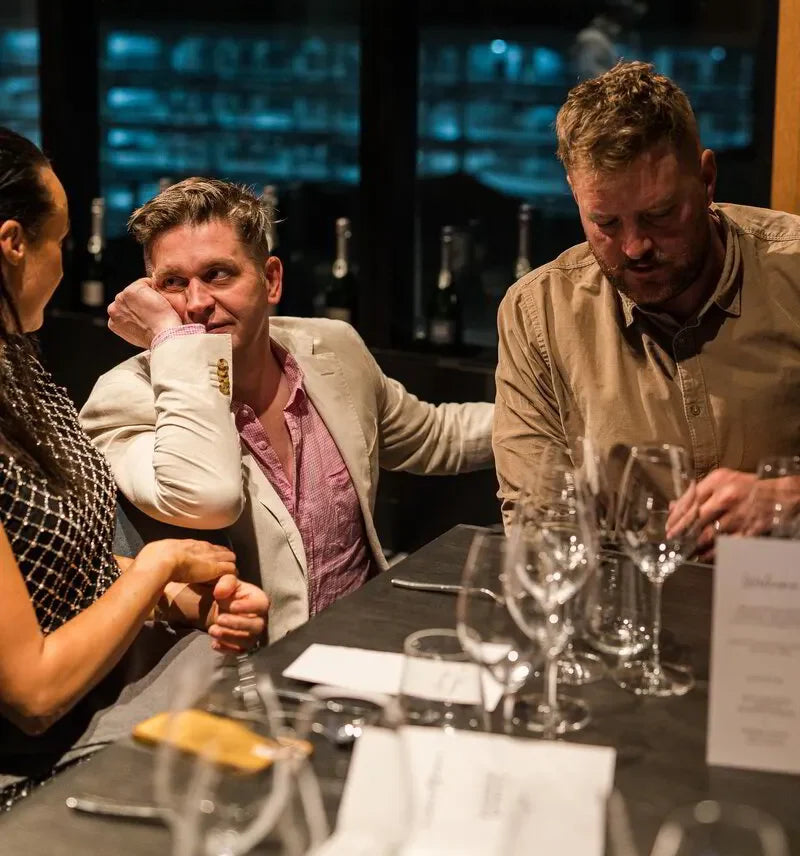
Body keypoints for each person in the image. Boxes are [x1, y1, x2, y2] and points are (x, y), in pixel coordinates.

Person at [80, 179, 494, 642]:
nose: (196, 303)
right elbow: (206, 496)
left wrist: (563, 417)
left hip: (361, 644)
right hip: (236, 678)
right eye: (173, 283)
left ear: (271, 279)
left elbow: (436, 436)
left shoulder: (333, 347)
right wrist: (172, 339)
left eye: (218, 274)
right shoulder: (123, 399)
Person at [0, 131, 269, 811]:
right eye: (61, 239)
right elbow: (30, 693)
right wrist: (159, 565)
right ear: (12, 243)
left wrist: (178, 595)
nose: (69, 263)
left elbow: (59, 571)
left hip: (104, 713)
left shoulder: (18, 366)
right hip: (32, 772)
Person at [493, 61, 800, 555]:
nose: (635, 246)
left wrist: (787, 498)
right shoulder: (539, 315)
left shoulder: (792, 271)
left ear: (707, 179)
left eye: (659, 214)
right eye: (606, 223)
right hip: (626, 614)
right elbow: (538, 524)